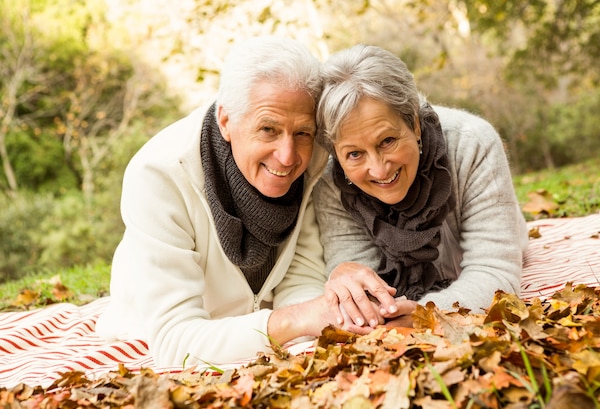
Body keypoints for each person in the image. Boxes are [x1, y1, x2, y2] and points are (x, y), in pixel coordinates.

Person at [96, 36, 343, 367]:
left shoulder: (313, 162)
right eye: (268, 129)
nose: (287, 156)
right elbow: (174, 343)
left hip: (258, 337)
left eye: (302, 132)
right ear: (226, 121)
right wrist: (290, 322)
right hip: (152, 341)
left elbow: (301, 279)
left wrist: (312, 318)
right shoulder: (157, 175)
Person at [313, 44, 528, 329]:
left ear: (414, 123)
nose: (378, 169)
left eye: (387, 141)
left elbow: (495, 271)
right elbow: (359, 285)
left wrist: (427, 314)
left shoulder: (472, 143)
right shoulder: (333, 181)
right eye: (354, 154)